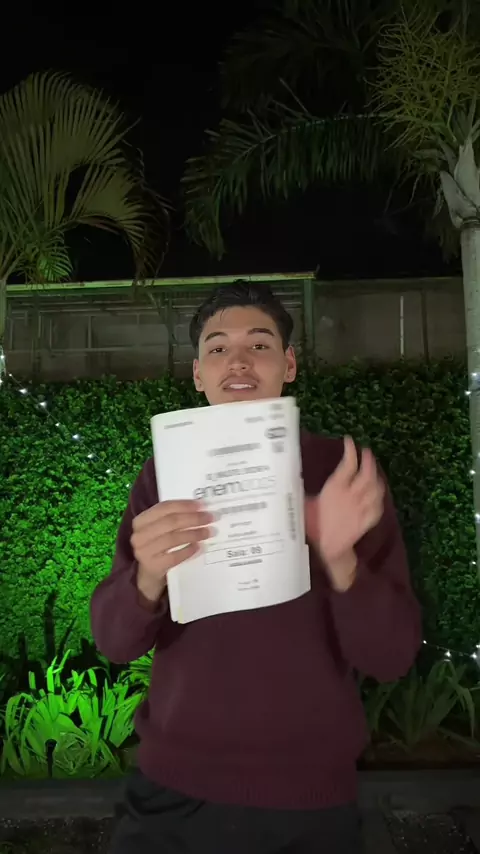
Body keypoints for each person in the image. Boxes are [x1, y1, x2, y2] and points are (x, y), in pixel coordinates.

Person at [91, 281, 421, 854]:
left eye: (259, 345)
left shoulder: (342, 474)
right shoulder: (163, 474)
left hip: (310, 803)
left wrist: (339, 558)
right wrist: (147, 576)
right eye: (218, 348)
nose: (238, 361)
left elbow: (391, 657)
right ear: (198, 374)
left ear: (288, 364)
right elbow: (115, 642)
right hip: (171, 793)